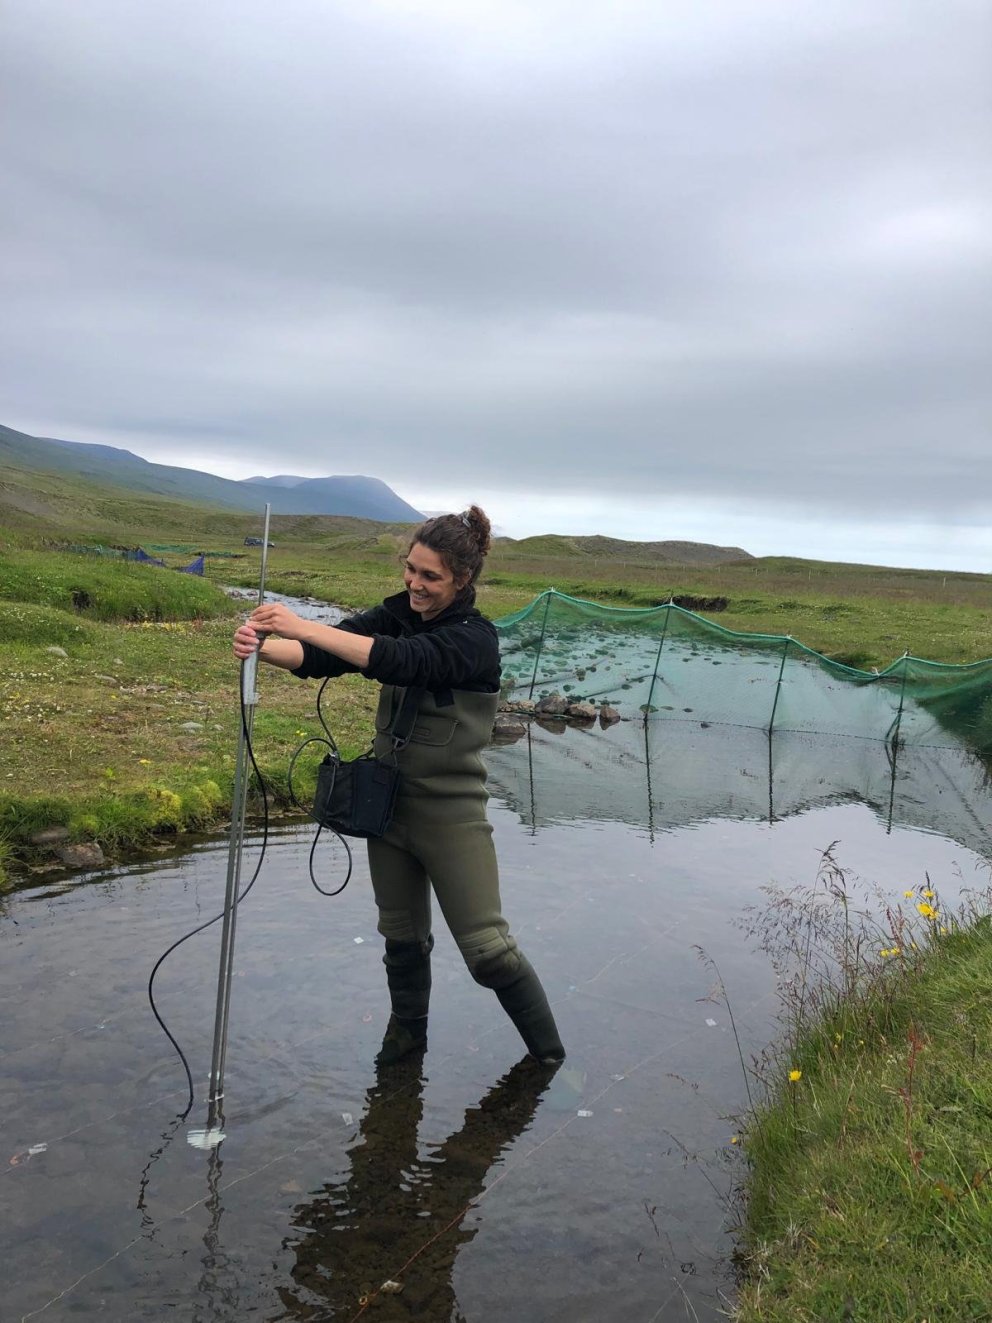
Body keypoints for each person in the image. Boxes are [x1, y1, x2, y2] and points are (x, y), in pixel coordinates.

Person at [232, 506, 565, 1065]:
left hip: (451, 816)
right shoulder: (396, 613)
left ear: (462, 579)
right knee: (401, 941)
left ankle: (550, 1061)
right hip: (387, 812)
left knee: (489, 954)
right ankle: (406, 1045)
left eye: (430, 576)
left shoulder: (473, 640)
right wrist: (264, 646)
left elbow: (400, 660)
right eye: (410, 569)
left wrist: (300, 624)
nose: (414, 582)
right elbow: (319, 655)